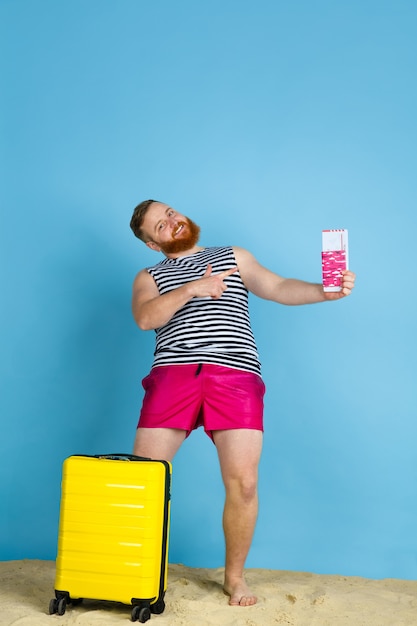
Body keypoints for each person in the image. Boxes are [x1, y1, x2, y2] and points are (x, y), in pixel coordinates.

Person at [129, 199, 356, 607]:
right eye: (160, 226)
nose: (172, 222)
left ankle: (234, 578)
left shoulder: (233, 257)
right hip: (173, 376)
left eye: (171, 214)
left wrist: (326, 291)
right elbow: (146, 318)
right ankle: (140, 571)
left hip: (234, 374)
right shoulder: (150, 274)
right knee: (144, 481)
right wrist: (194, 288)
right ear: (151, 245)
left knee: (245, 484)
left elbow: (278, 287)